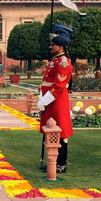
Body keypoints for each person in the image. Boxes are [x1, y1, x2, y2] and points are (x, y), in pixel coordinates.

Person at [36, 23, 74, 173]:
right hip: (50, 101)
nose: (50, 47)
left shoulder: (63, 62)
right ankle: (53, 160)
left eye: (53, 44)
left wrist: (43, 100)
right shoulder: (55, 60)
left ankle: (60, 164)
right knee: (50, 131)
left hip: (56, 101)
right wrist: (42, 98)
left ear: (60, 46)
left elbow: (58, 86)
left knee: (61, 132)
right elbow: (46, 83)